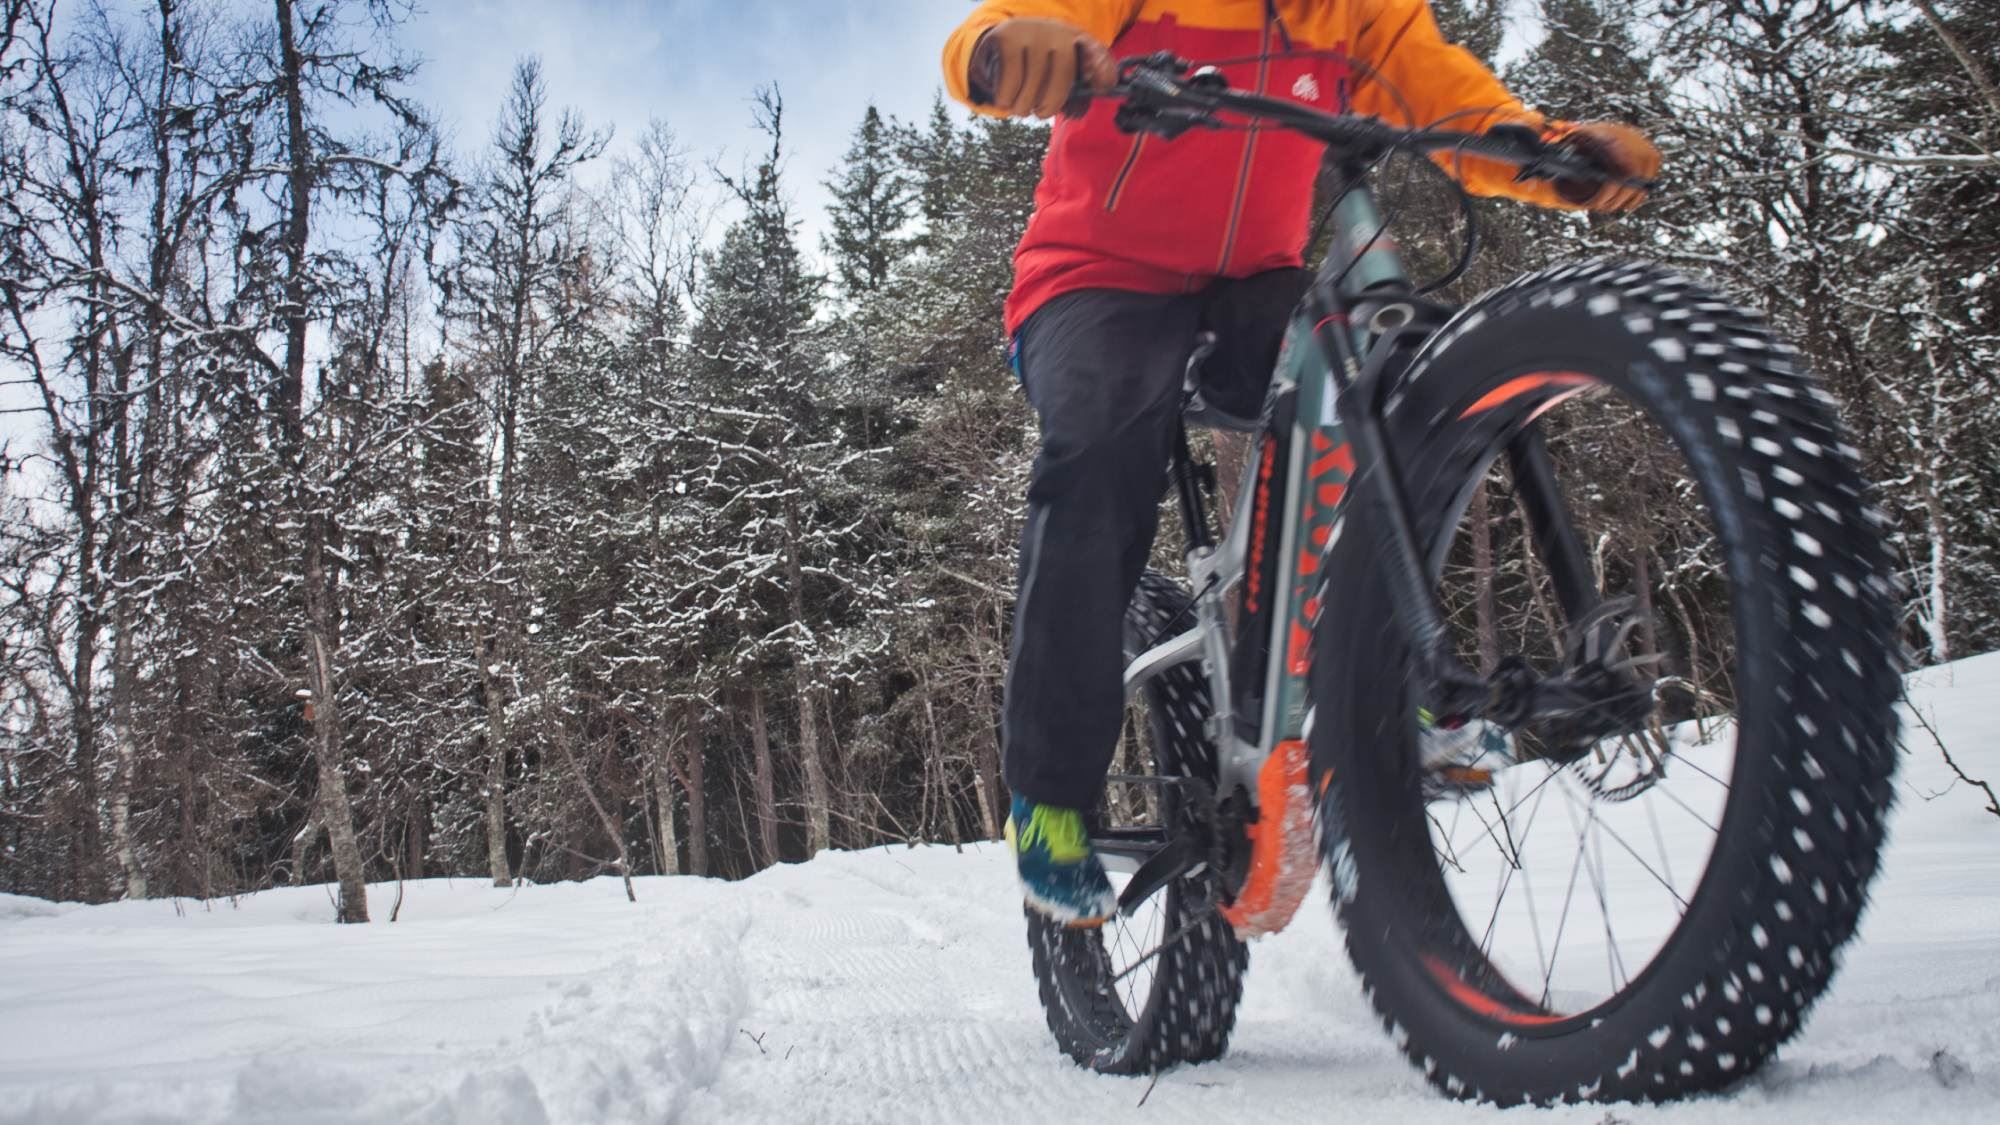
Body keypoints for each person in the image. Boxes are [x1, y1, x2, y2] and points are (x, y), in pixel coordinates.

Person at [939, 0, 1662, 924]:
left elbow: (1443, 97)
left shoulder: (1354, 10)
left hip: (1254, 284)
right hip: (1093, 277)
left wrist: (1550, 152)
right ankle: (1050, 796)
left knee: (1378, 390)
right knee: (1100, 449)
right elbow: (1016, 24)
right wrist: (1000, 52)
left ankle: (1387, 683)